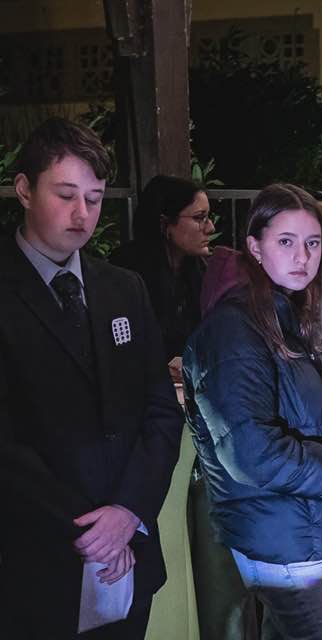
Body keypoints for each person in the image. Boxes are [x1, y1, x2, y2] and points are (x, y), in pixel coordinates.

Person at [182, 184, 322, 640]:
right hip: (283, 541)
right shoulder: (235, 330)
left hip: (303, 527)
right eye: (286, 242)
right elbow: (252, 452)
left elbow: (301, 421)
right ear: (255, 247)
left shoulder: (289, 317)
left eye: (312, 242)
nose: (303, 256)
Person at [0, 118, 183, 638]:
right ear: (24, 190)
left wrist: (129, 511)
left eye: (96, 198)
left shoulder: (124, 287)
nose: (83, 214)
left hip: (129, 550)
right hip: (33, 555)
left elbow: (159, 409)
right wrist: (89, 528)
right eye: (66, 195)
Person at [110, 175, 213, 368]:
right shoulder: (125, 272)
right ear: (165, 223)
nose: (210, 227)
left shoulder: (201, 271)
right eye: (200, 218)